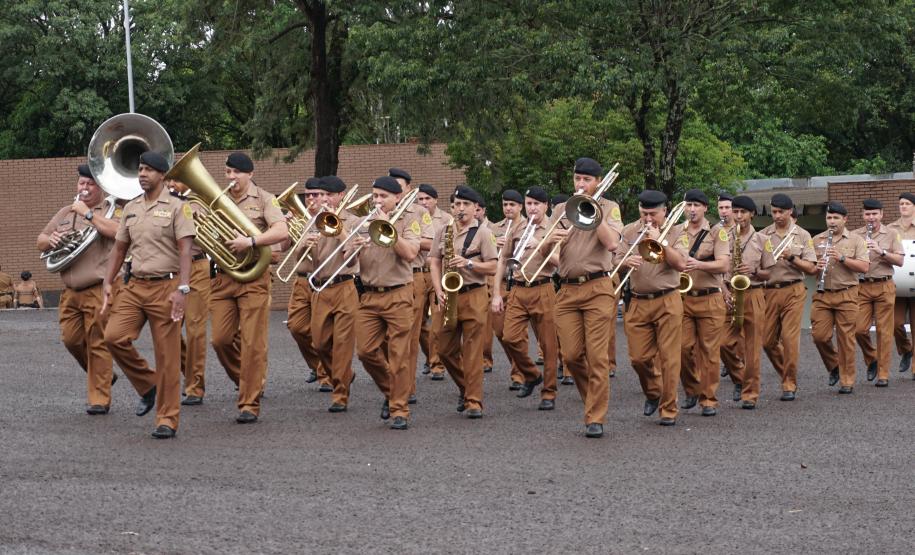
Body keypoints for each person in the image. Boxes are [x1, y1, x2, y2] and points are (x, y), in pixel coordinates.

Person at [100, 151, 195, 439]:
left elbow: (185, 250)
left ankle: (166, 419)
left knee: (167, 358)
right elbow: (119, 248)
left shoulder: (179, 208)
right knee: (113, 336)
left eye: (149, 170)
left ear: (162, 175)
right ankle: (148, 385)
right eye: (140, 169)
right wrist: (108, 280)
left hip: (166, 288)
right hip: (134, 286)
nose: (142, 174)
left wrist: (183, 288)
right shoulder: (131, 208)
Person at [542, 158, 622, 437]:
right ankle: (593, 398)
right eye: (577, 179)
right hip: (566, 289)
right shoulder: (561, 210)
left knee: (597, 356)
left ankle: (595, 416)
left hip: (598, 287)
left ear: (597, 182)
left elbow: (612, 243)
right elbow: (544, 254)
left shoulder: (610, 208)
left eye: (586, 180)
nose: (580, 184)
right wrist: (553, 241)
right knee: (573, 356)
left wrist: (592, 210)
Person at [210, 152, 288, 424]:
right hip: (224, 278)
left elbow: (281, 231)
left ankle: (249, 402)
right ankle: (247, 378)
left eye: (236, 173)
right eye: (228, 172)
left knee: (252, 342)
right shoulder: (218, 198)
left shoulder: (266, 199)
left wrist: (251, 241)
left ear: (250, 174)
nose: (230, 178)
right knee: (219, 340)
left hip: (254, 279)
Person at [37, 164, 120, 413]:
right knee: (71, 340)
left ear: (100, 187)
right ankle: (103, 376)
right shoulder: (66, 212)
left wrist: (87, 215)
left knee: (98, 343)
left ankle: (99, 399)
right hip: (70, 291)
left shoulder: (111, 210)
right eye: (81, 183)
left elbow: (118, 232)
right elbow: (40, 239)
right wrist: (50, 240)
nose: (84, 188)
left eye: (90, 184)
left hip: (97, 287)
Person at [351, 176, 421, 430]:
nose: (377, 200)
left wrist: (386, 226)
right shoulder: (362, 222)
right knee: (366, 351)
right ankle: (393, 392)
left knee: (399, 354)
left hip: (399, 294)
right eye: (375, 196)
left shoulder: (408, 221)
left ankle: (399, 410)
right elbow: (348, 261)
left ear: (397, 198)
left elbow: (411, 253)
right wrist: (354, 247)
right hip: (369, 295)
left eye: (383, 196)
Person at [618, 190, 687, 426]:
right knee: (638, 358)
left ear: (664, 211)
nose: (648, 219)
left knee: (669, 358)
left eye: (653, 214)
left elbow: (681, 263)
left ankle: (669, 409)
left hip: (668, 299)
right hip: (637, 300)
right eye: (644, 213)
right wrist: (623, 261)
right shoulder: (629, 231)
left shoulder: (678, 231)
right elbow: (615, 260)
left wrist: (661, 239)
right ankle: (654, 392)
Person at [430, 185, 498, 419]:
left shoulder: (483, 233)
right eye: (457, 205)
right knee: (444, 349)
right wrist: (438, 288)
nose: (460, 209)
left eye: (466, 205)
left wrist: (469, 264)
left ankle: (474, 401)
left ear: (475, 208)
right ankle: (465, 388)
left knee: (472, 351)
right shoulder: (442, 231)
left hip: (474, 294)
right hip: (448, 295)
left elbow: (493, 266)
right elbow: (434, 261)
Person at [491, 186, 559, 410]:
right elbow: (503, 260)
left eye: (536, 204)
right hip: (518, 288)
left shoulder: (554, 228)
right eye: (529, 204)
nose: (532, 208)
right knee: (508, 337)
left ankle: (548, 393)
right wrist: (497, 294)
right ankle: (531, 374)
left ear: (545, 206)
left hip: (543, 287)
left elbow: (560, 262)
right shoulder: (518, 227)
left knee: (548, 345)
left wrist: (541, 246)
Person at [306, 175, 360, 412]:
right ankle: (344, 374)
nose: (325, 199)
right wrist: (303, 244)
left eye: (329, 195)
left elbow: (352, 258)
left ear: (341, 196)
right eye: (322, 195)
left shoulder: (356, 221)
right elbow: (300, 259)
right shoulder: (313, 221)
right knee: (318, 343)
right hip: (319, 287)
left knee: (343, 344)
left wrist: (338, 227)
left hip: (345, 286)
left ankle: (340, 394)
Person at [677, 189, 730, 417]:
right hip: (683, 299)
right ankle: (692, 389)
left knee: (709, 351)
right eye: (688, 205)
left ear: (705, 208)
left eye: (696, 205)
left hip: (710, 297)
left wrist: (697, 264)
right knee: (681, 348)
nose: (692, 209)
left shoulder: (717, 233)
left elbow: (723, 265)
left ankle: (708, 399)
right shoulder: (676, 230)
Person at [760, 194, 817, 401]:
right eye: (774, 212)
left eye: (780, 212)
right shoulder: (764, 234)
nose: (776, 216)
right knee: (767, 341)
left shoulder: (802, 235)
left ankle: (789, 384)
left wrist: (791, 257)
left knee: (789, 338)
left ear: (790, 211)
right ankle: (787, 370)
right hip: (769, 291)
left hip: (793, 289)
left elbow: (811, 268)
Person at [719, 195, 774, 409]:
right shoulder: (723, 236)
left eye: (743, 212)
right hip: (729, 294)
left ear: (752, 214)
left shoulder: (762, 240)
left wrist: (754, 271)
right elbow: (718, 270)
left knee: (752, 349)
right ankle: (740, 378)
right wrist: (724, 291)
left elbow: (769, 273)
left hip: (754, 294)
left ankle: (750, 394)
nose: (739, 216)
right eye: (736, 211)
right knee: (722, 343)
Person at [810, 202, 869, 394]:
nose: (832, 221)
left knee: (846, 339)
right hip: (822, 294)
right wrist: (815, 266)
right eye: (829, 218)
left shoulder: (856, 240)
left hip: (847, 294)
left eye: (836, 218)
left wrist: (842, 258)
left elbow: (864, 267)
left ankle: (847, 380)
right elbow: (809, 268)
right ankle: (834, 365)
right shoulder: (816, 239)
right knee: (819, 336)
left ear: (845, 219)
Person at [389, 168, 434, 405]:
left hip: (412, 275)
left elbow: (431, 241)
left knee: (409, 336)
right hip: (385, 279)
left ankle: (407, 388)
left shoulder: (418, 211)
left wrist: (405, 239)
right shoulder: (378, 211)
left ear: (408, 188)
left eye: (397, 185)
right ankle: (393, 384)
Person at [167, 178, 212, 406]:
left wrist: (196, 211)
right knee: (169, 328)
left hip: (196, 266)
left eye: (175, 179)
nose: (170, 184)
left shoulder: (199, 200)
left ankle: (195, 386)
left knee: (195, 329)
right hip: (170, 269)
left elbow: (211, 231)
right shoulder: (162, 203)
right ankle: (188, 374)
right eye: (167, 180)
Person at [286, 177, 330, 391]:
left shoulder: (332, 219)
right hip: (302, 280)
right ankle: (319, 365)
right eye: (309, 195)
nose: (312, 198)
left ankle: (326, 374)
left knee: (322, 331)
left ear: (325, 197)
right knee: (296, 327)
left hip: (325, 281)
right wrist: (285, 224)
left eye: (317, 194)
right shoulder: (299, 219)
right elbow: (284, 246)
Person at [853, 199, 903, 387]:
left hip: (884, 285)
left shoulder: (892, 234)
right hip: (862, 286)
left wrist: (881, 251)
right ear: (862, 215)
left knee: (884, 331)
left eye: (874, 214)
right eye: (867, 214)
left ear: (881, 214)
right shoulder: (855, 235)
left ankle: (883, 374)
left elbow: (899, 261)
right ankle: (872, 358)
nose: (871, 218)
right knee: (859, 330)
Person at [491, 189, 526, 389]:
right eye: (505, 204)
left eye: (512, 204)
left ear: (520, 206)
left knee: (518, 332)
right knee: (500, 332)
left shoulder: (527, 226)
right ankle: (517, 364)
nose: (508, 208)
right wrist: (496, 245)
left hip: (521, 283)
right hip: (501, 282)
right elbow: (490, 257)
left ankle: (519, 372)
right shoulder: (495, 229)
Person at [416, 184, 449, 380]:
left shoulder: (446, 219)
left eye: (427, 199)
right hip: (419, 273)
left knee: (437, 320)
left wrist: (414, 241)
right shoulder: (413, 216)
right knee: (418, 324)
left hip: (438, 274)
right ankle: (430, 357)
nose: (424, 202)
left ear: (435, 200)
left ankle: (437, 365)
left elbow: (448, 245)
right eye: (420, 199)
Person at [888, 192, 915, 376]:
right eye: (901, 204)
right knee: (895, 324)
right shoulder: (890, 229)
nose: (903, 206)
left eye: (907, 203)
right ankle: (906, 349)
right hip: (897, 286)